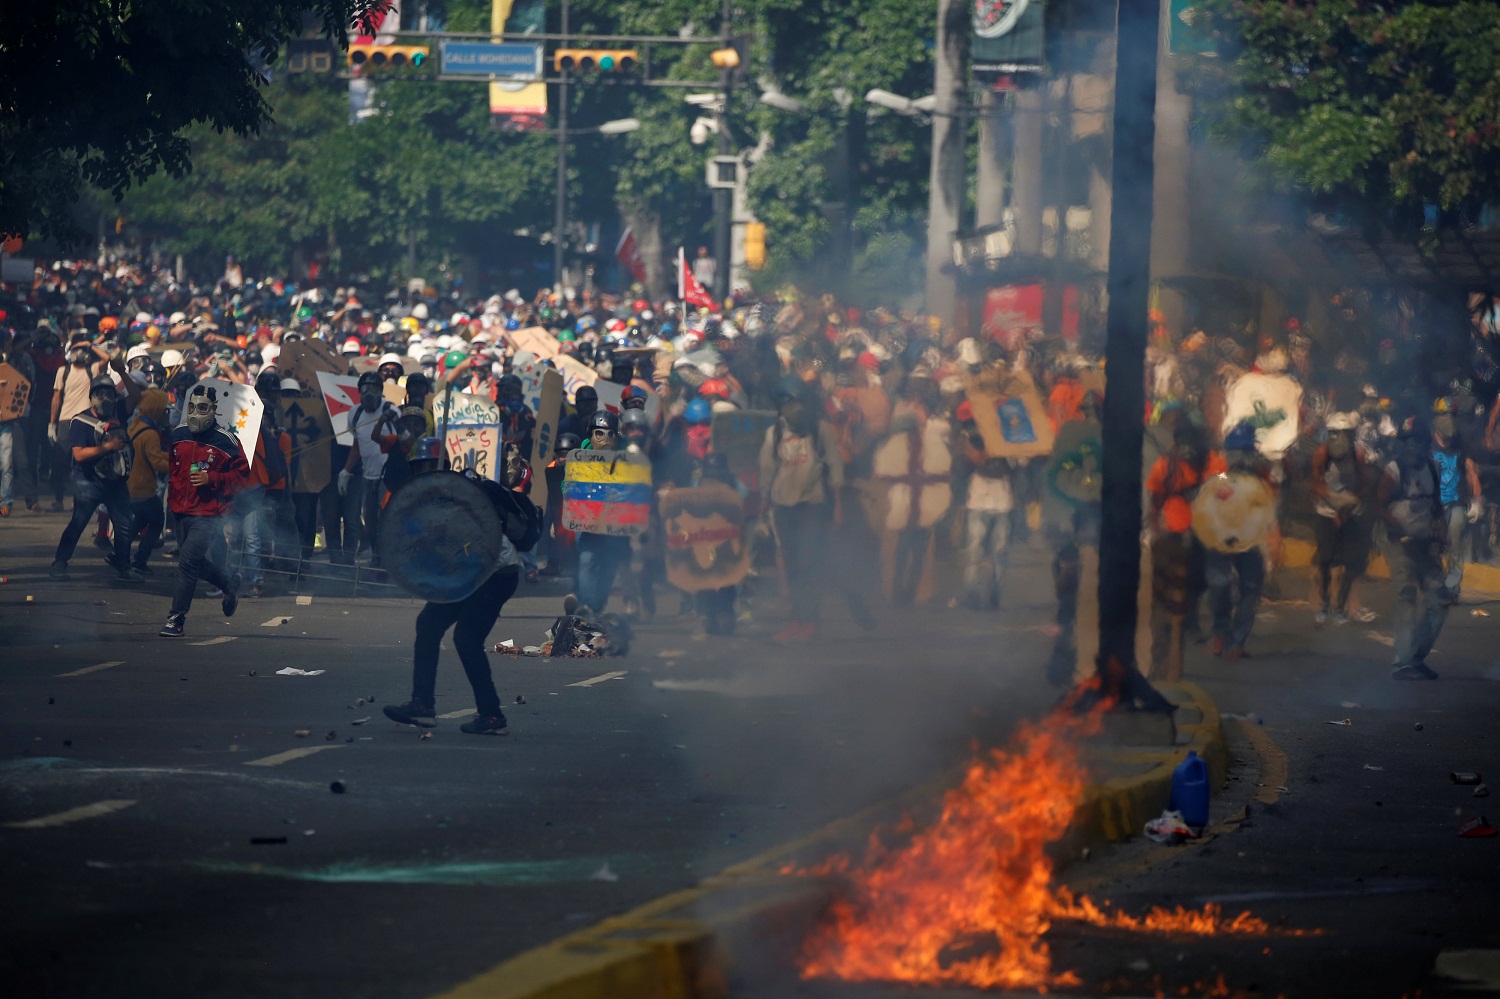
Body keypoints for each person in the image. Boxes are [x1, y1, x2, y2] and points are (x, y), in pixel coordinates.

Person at [383, 450, 541, 735]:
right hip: (473, 575)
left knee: (466, 638)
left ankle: (490, 716)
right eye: (419, 468)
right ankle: (423, 705)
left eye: (428, 467)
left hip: (493, 573)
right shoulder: (433, 502)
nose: (423, 473)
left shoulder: (458, 497)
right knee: (430, 624)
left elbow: (469, 548)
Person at [759, 376, 846, 641]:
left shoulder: (819, 431)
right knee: (793, 566)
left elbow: (835, 467)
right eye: (787, 402)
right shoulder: (774, 434)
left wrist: (838, 508)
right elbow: (767, 470)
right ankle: (797, 620)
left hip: (812, 507)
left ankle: (810, 621)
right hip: (783, 508)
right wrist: (765, 503)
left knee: (809, 563)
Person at [160, 384, 249, 637]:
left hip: (209, 514)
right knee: (193, 563)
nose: (196, 412)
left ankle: (176, 619)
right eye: (191, 406)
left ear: (213, 410)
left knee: (188, 562)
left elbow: (242, 477)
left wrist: (213, 480)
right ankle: (228, 583)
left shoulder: (228, 441)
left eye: (202, 407)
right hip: (180, 511)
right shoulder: (177, 435)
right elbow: (173, 469)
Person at [1379, 416, 1448, 680]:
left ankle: (1416, 657)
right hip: (1400, 545)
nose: (1412, 447)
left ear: (1425, 442)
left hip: (1425, 545)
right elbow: (1379, 505)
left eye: (1417, 441)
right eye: (1408, 441)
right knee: (1406, 595)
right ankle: (1402, 663)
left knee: (1440, 598)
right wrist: (1395, 527)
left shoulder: (1433, 468)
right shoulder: (1393, 470)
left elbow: (1438, 505)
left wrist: (1441, 532)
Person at [49, 376, 137, 582]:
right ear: (91, 397)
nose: (105, 398)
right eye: (100, 393)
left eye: (109, 393)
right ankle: (59, 563)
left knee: (124, 525)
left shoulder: (119, 413)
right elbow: (79, 454)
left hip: (116, 483)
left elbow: (136, 396)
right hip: (89, 482)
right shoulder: (80, 422)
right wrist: (107, 447)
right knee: (78, 523)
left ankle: (124, 567)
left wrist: (121, 370)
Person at [1203, 421, 1272, 660]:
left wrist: (1272, 536)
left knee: (1251, 587)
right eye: (1238, 452)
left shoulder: (1260, 473)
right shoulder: (1217, 472)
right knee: (1220, 583)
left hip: (1248, 537)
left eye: (1245, 451)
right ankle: (1222, 634)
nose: (1241, 457)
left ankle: (1235, 642)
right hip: (1220, 537)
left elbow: (1267, 504)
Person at [1310, 412, 1376, 624]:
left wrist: (1349, 504)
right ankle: (1325, 604)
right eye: (1334, 434)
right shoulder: (1322, 453)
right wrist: (1333, 500)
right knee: (1325, 559)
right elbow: (1316, 483)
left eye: (1343, 434)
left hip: (1350, 513)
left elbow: (1366, 483)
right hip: (1326, 512)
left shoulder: (1357, 455)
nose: (1339, 439)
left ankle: (1340, 606)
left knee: (1350, 562)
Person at [566, 411, 634, 615]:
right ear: (590, 435)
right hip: (587, 517)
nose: (604, 440)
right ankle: (587, 605)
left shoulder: (626, 458)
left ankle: (597, 603)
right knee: (587, 558)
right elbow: (566, 483)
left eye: (610, 435)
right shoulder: (579, 457)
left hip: (615, 519)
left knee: (610, 562)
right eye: (599, 434)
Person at [337, 371, 400, 568]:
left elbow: (400, 426)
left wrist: (390, 417)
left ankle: (387, 560)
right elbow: (358, 444)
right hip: (368, 476)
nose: (369, 393)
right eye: (365, 389)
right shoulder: (355, 414)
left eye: (374, 389)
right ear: (359, 392)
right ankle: (376, 556)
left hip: (387, 476)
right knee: (370, 520)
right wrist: (346, 471)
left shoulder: (390, 410)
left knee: (385, 519)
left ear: (381, 392)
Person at [48, 334, 107, 511]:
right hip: (65, 420)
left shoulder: (93, 369)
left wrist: (90, 344)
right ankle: (58, 500)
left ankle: (78, 499)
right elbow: (56, 398)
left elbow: (107, 358)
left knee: (82, 464)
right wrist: (52, 424)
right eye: (75, 349)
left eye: (82, 349)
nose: (79, 352)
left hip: (86, 421)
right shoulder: (63, 371)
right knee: (60, 462)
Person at [1430, 401, 1483, 599]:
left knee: (1454, 547)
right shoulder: (1429, 446)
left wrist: (1476, 501)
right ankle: (1435, 584)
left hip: (1456, 504)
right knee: (1434, 546)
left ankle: (1452, 587)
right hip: (1434, 506)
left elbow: (1471, 472)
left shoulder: (1461, 446)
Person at [125, 387, 171, 574]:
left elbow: (154, 454)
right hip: (143, 487)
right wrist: (180, 465)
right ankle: (140, 559)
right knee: (157, 521)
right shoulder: (150, 434)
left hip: (131, 484)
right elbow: (156, 462)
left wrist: (171, 457)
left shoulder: (136, 424)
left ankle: (121, 552)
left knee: (139, 521)